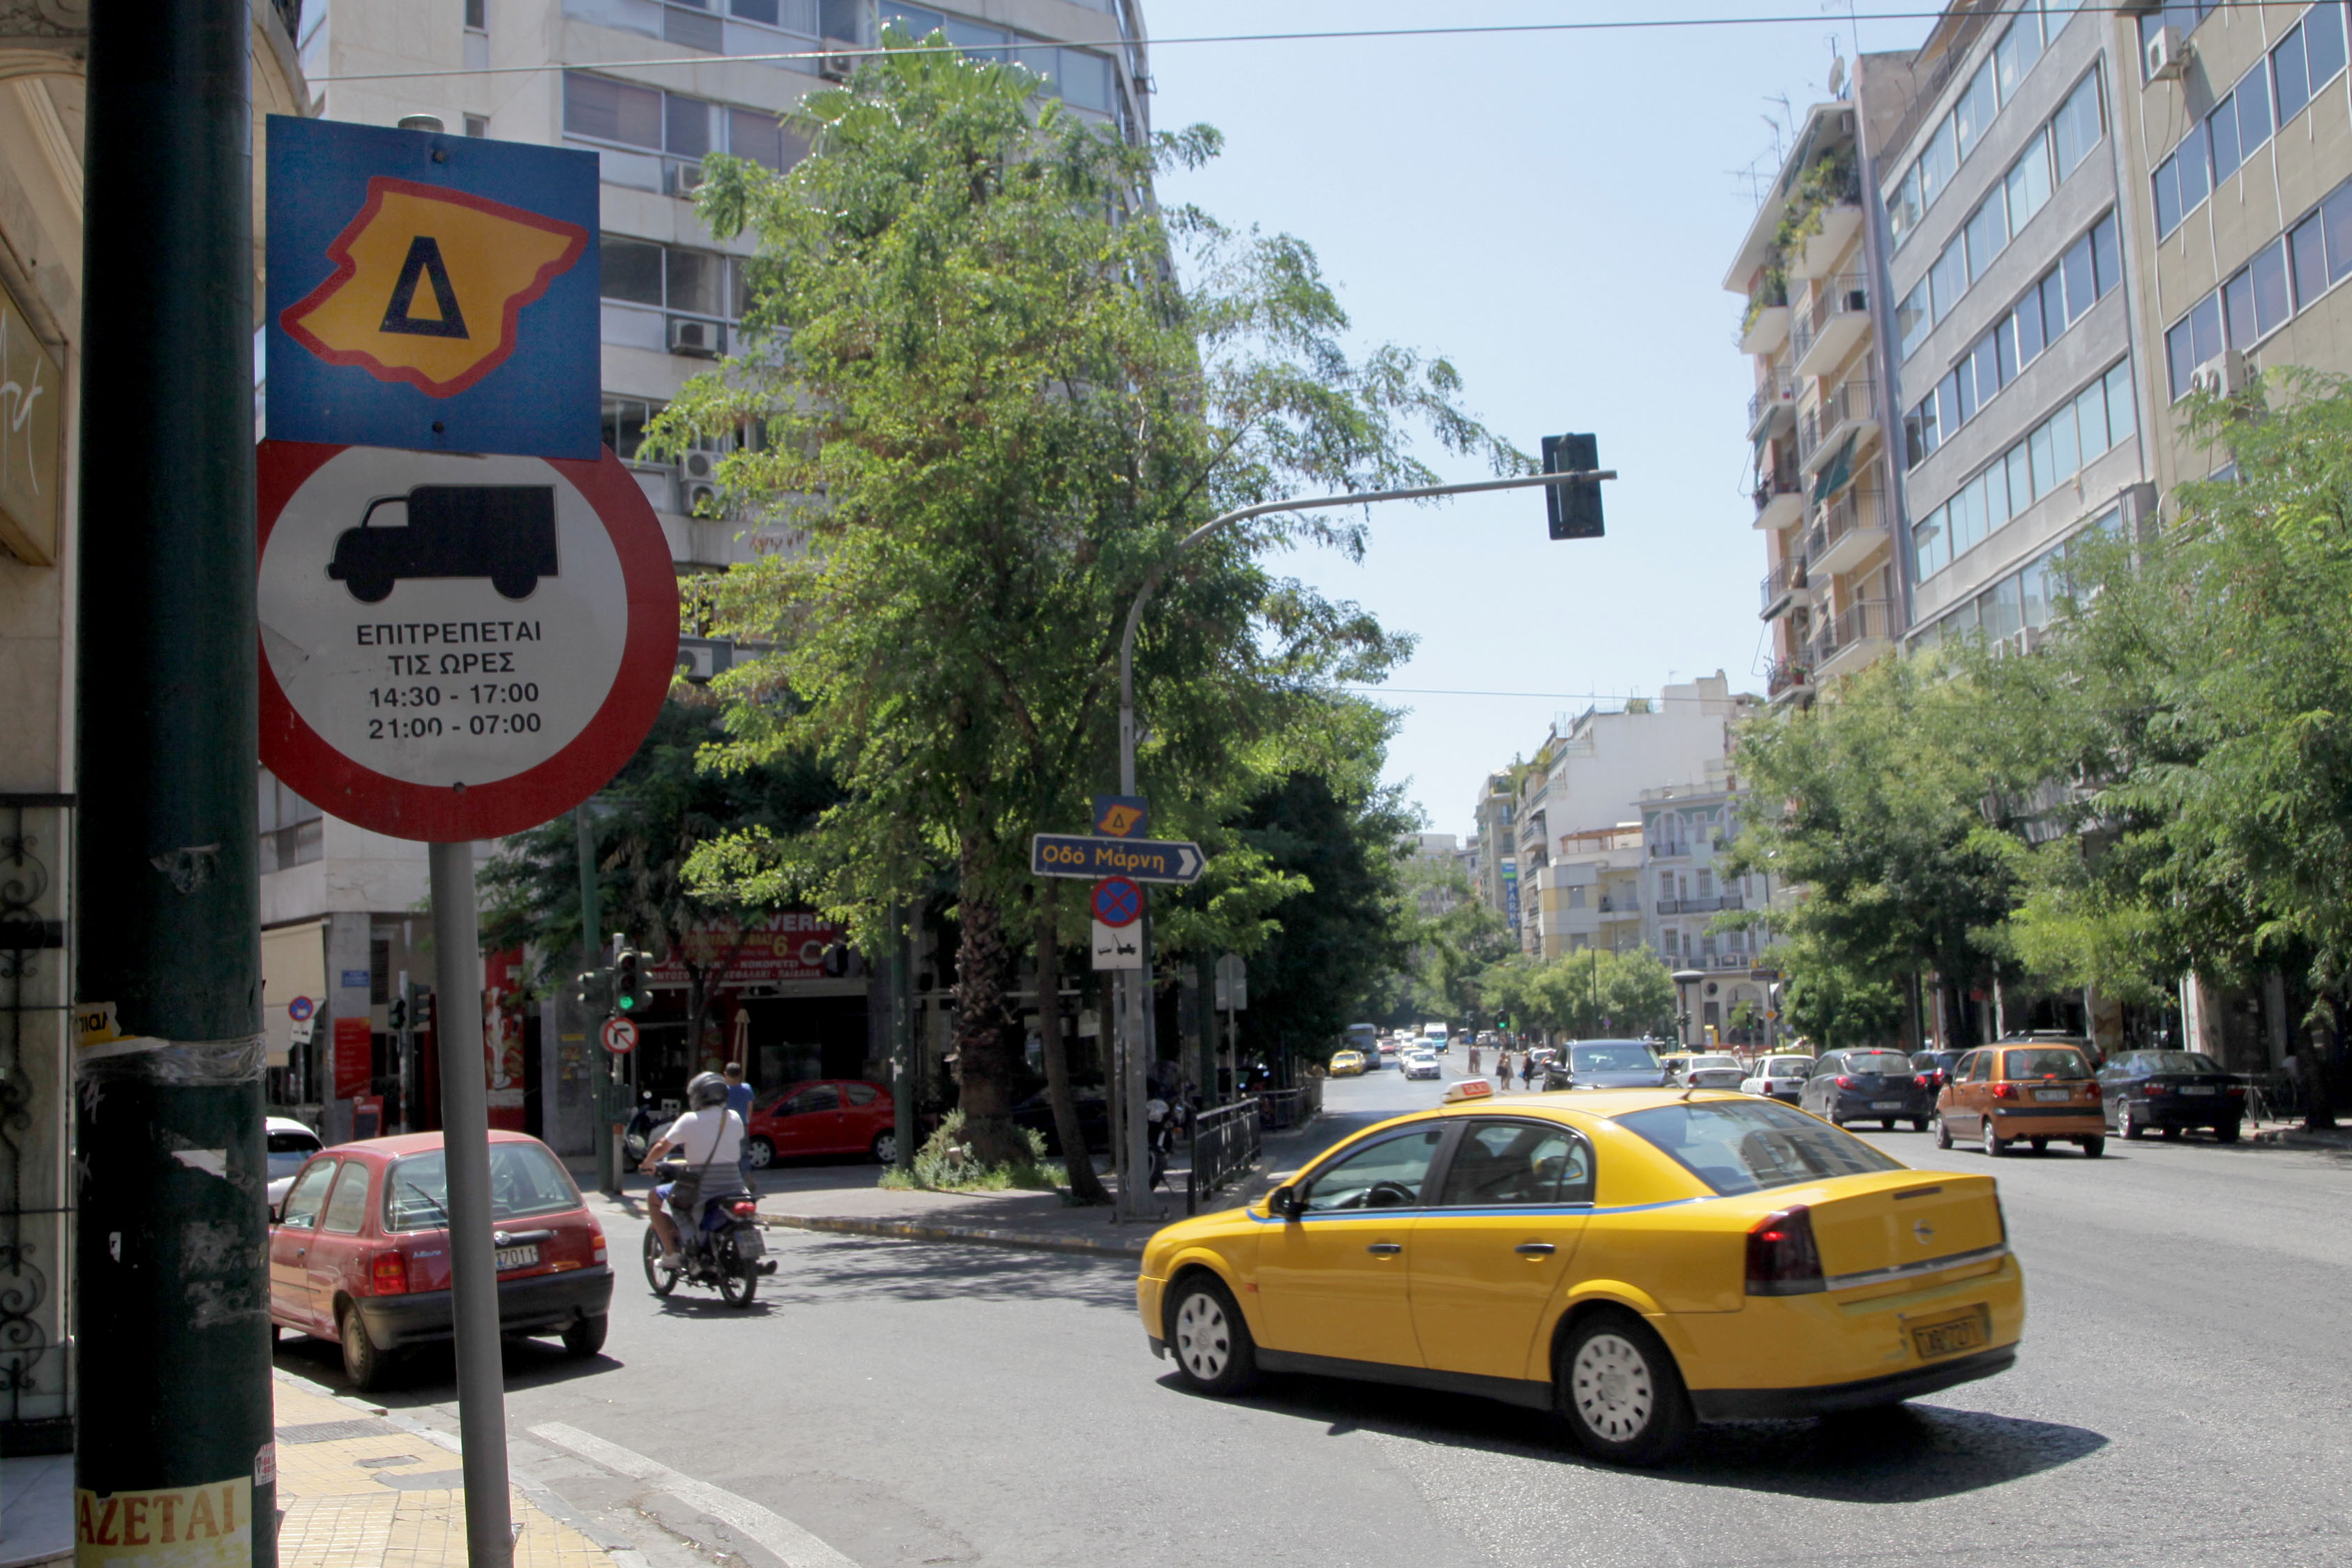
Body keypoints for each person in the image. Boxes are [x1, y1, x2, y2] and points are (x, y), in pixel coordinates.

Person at [639, 1071, 746, 1270]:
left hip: (703, 1185)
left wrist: (648, 1163)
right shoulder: (734, 1117)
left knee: (658, 1198)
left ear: (697, 1096)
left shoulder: (690, 1119)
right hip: (735, 1185)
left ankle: (673, 1254)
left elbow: (663, 1146)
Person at [723, 1060, 756, 1189]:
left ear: (726, 1074)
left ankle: (731, 1182)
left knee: (727, 1154)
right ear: (740, 1074)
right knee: (744, 1154)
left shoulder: (723, 1090)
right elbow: (750, 1107)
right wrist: (747, 1122)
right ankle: (749, 1178)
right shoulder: (747, 1088)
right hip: (742, 1125)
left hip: (726, 1126)